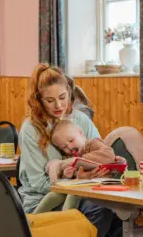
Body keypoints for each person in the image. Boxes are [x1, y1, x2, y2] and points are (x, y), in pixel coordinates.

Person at [18, 63, 120, 237]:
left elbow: (101, 156)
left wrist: (90, 178)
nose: (58, 105)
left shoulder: (81, 120)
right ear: (39, 100)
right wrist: (78, 182)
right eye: (49, 100)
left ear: (69, 92)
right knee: (101, 209)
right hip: (42, 201)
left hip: (85, 193)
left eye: (63, 97)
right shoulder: (30, 129)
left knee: (118, 214)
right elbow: (38, 184)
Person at [33, 119, 116, 214]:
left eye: (71, 140)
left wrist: (80, 162)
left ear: (81, 133)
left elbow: (108, 155)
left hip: (99, 185)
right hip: (81, 185)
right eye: (64, 147)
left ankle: (67, 222)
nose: (70, 147)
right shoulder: (69, 156)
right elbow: (66, 170)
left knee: (72, 194)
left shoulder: (93, 144)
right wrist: (67, 175)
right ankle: (31, 221)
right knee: (53, 195)